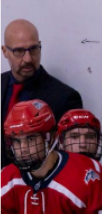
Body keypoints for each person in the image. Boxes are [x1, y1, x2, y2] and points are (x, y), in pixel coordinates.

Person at [1, 19, 82, 167]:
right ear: (5, 51)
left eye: (33, 49)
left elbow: (71, 162)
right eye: (19, 51)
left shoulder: (65, 98)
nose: (28, 58)